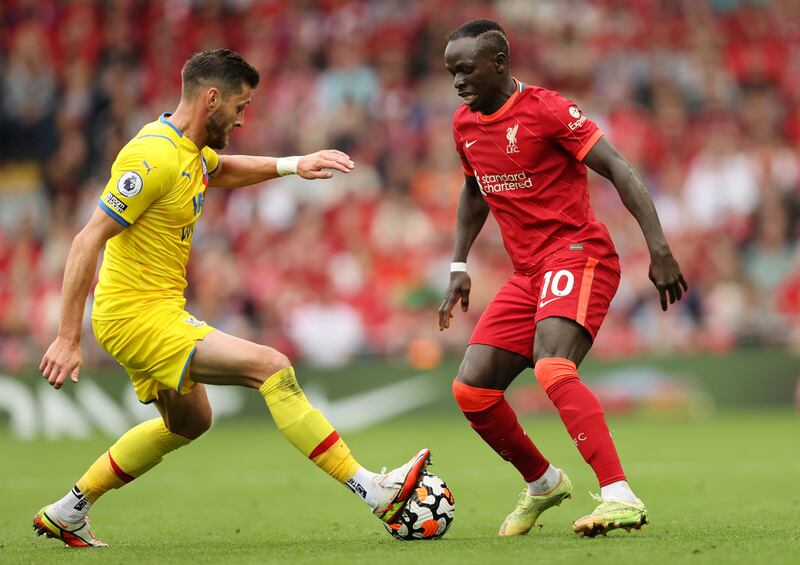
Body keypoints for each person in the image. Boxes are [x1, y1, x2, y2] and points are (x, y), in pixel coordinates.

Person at [33, 48, 430, 548]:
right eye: (240, 108)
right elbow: (86, 239)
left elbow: (219, 171)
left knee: (190, 422)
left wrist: (293, 165)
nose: (243, 120)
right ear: (212, 98)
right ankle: (372, 489)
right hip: (136, 315)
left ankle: (67, 511)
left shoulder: (189, 151)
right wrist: (68, 338)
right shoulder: (151, 155)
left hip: (155, 311)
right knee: (272, 366)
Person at [439, 20, 687, 538]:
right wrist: (459, 265)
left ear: (500, 64)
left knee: (553, 367)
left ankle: (620, 495)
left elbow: (618, 167)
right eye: (451, 72)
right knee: (472, 391)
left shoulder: (547, 109)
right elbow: (473, 190)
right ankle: (544, 482)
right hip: (527, 271)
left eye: (466, 69)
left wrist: (658, 247)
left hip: (577, 255)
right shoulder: (464, 124)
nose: (457, 81)